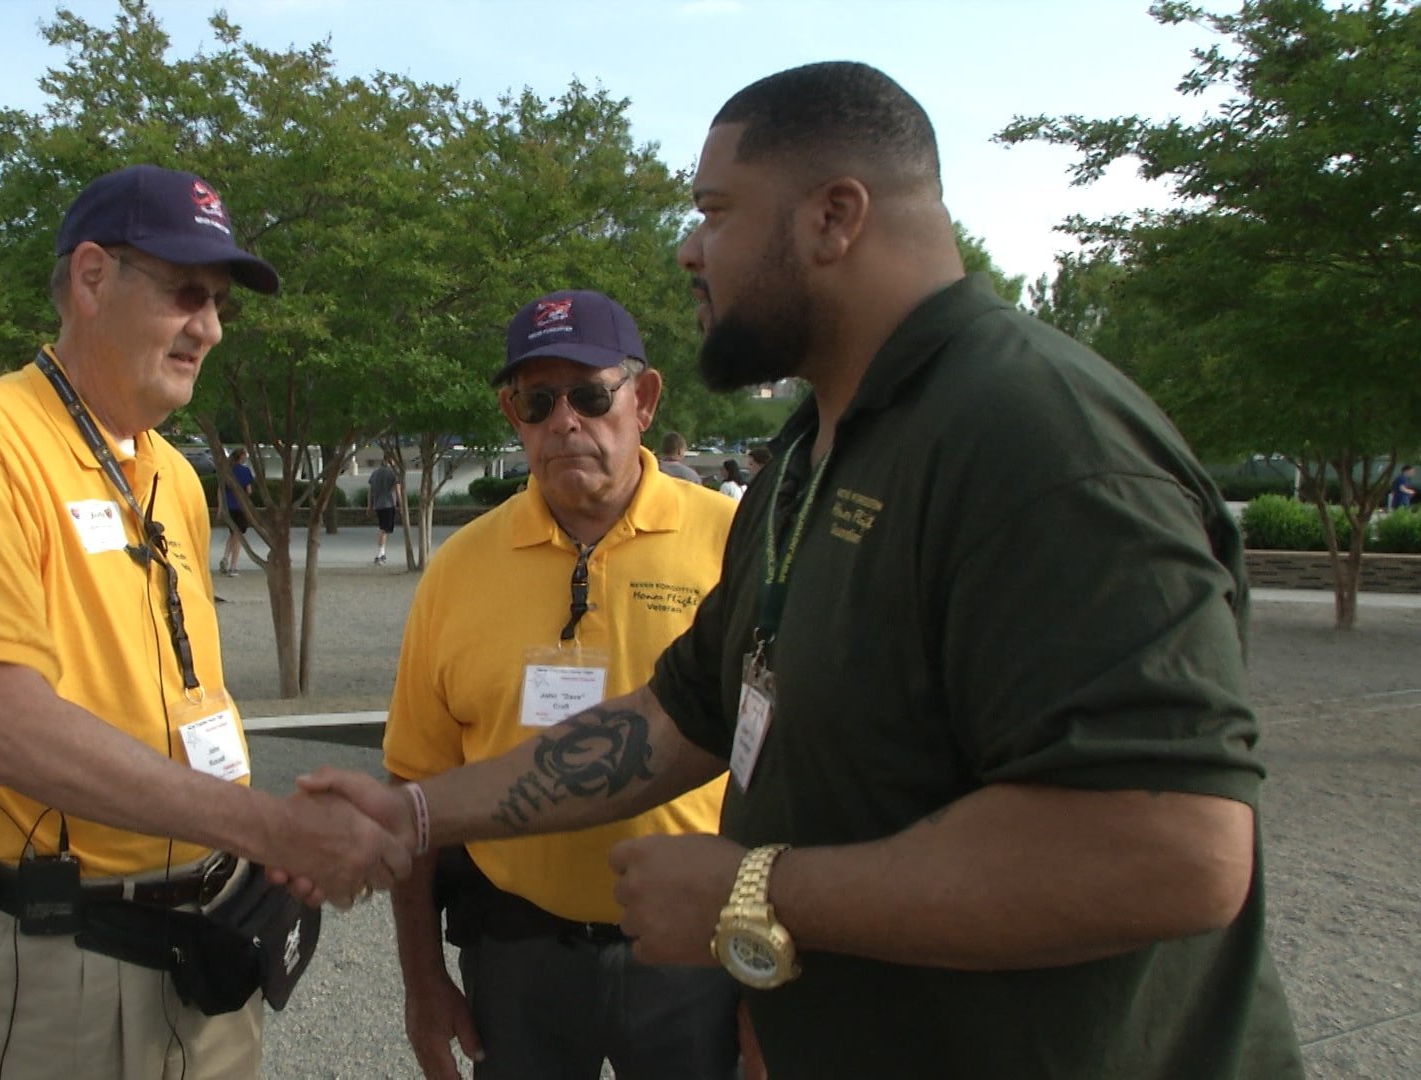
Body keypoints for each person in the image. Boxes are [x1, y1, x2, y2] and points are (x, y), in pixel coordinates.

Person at [293, 62, 1303, 1077]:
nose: (690, 249)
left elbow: (1171, 854)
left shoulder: (1037, 442)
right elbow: (682, 715)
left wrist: (753, 894)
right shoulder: (813, 460)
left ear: (834, 217)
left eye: (715, 211)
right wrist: (419, 812)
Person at [0, 163, 409, 1079]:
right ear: (92, 278)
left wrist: (255, 845)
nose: (208, 327)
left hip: (207, 948)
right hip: (56, 964)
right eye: (186, 292)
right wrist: (271, 829)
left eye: (218, 303)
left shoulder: (175, 476)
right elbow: (5, 729)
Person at [384, 289, 740, 1079]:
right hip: (516, 955)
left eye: (588, 394)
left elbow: (788, 764)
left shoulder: (730, 543)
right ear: (513, 415)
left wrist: (771, 975)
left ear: (643, 400)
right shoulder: (458, 570)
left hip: (697, 953)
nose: (563, 421)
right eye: (536, 400)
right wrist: (421, 979)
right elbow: (416, 783)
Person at [218, 447, 254, 575]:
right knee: (238, 536)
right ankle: (233, 566)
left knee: (233, 533)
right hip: (240, 507)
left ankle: (225, 557)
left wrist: (220, 508)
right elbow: (249, 491)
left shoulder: (227, 471)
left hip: (229, 507)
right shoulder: (245, 471)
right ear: (242, 457)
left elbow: (220, 490)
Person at [369, 458, 403, 564]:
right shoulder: (393, 473)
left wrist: (369, 506)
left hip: (378, 504)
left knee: (384, 529)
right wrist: (401, 505)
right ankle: (380, 554)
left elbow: (370, 491)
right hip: (389, 504)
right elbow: (397, 490)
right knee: (384, 530)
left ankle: (382, 553)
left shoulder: (374, 474)